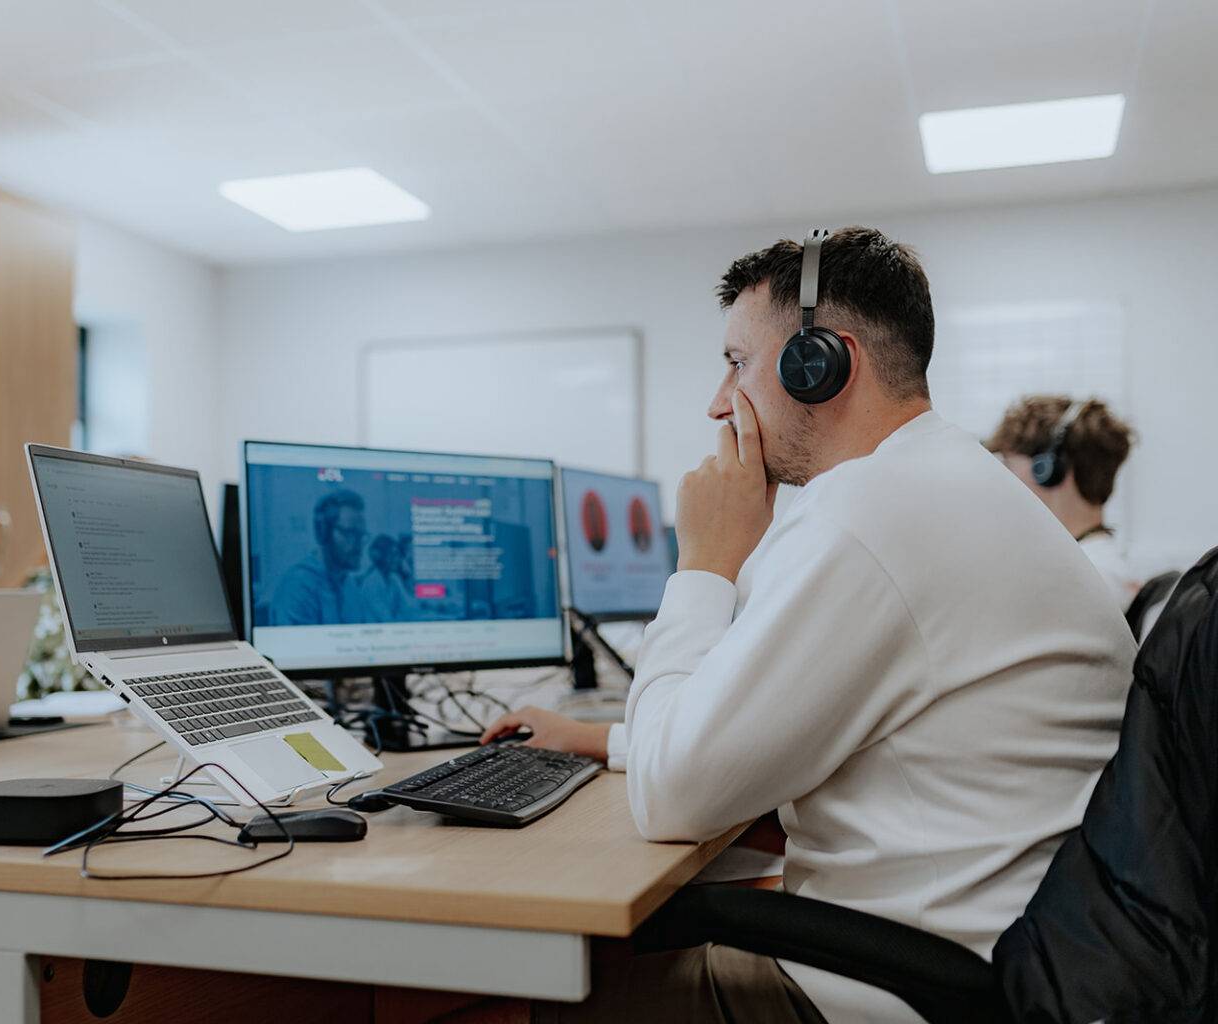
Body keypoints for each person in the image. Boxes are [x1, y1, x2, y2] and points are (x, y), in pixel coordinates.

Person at [483, 228, 1133, 1023]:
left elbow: (672, 797)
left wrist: (703, 565)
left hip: (894, 990)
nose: (719, 403)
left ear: (821, 365)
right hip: (991, 953)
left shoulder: (874, 515)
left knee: (494, 994)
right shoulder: (932, 484)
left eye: (735, 363)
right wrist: (609, 740)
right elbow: (761, 719)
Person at [986, 395, 1141, 609]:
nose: (1002, 477)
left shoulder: (1086, 579)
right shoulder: (1095, 566)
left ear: (1048, 470)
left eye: (1008, 464)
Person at [269, 489, 368, 626]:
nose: (359, 545)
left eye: (362, 535)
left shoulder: (349, 584)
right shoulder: (298, 586)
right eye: (350, 533)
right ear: (323, 533)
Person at [357, 533, 409, 622]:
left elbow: (406, 609)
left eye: (397, 555)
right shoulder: (371, 583)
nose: (397, 559)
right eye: (392, 555)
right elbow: (386, 619)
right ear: (379, 557)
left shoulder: (394, 579)